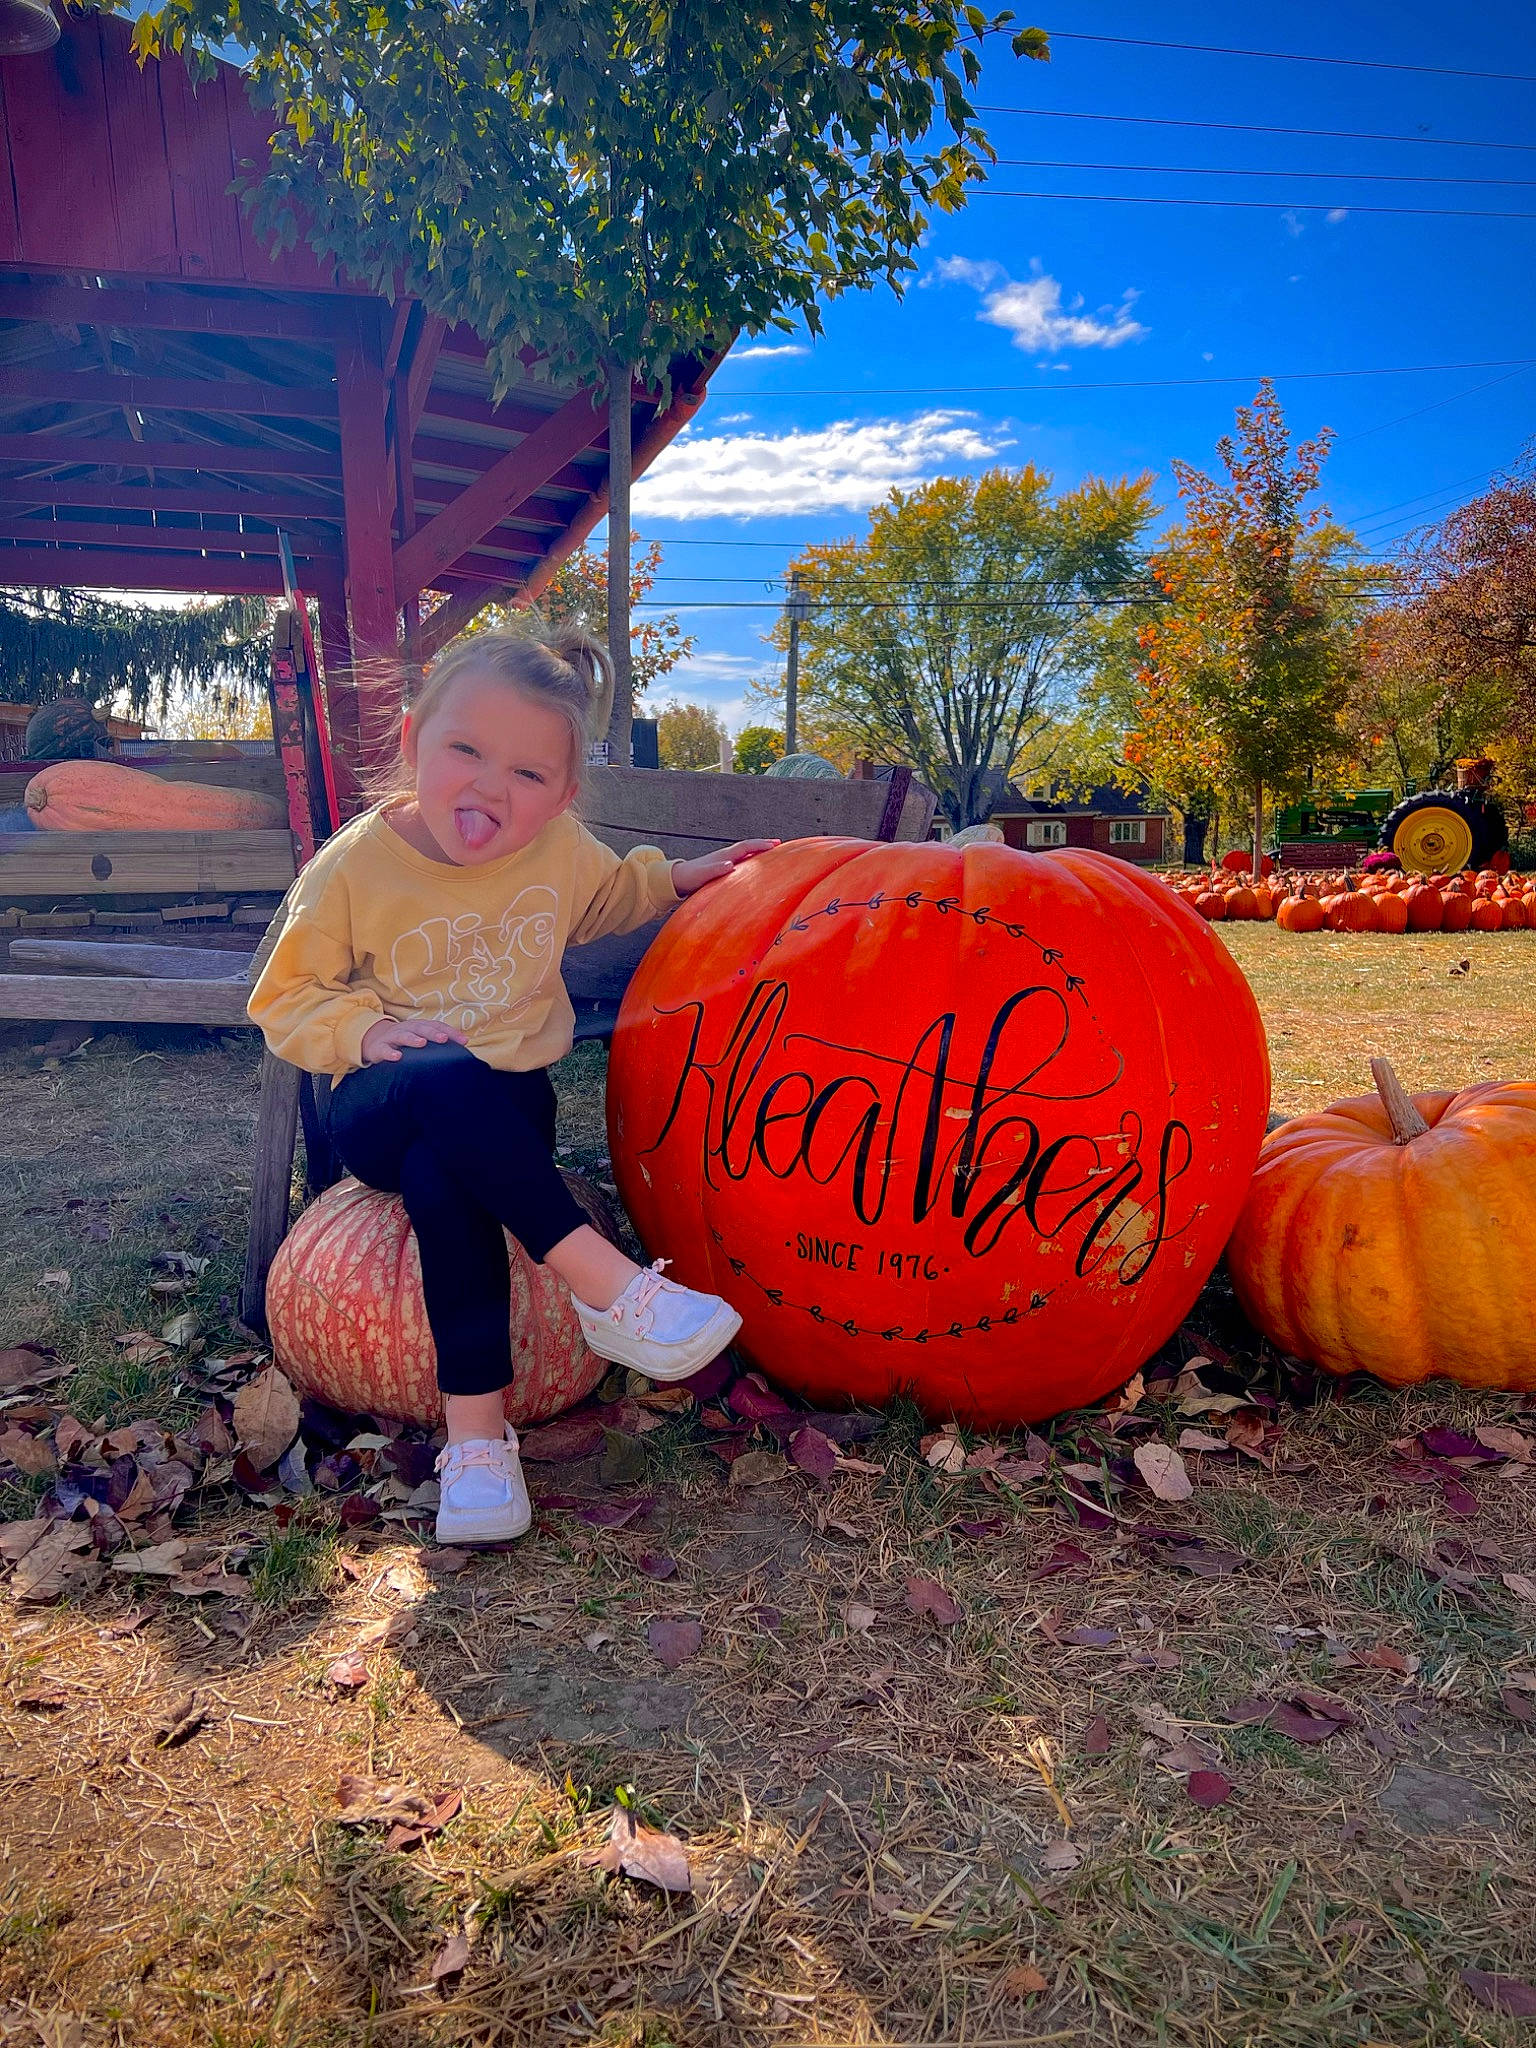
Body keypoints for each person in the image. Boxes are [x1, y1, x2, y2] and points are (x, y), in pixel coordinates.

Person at [248, 628, 772, 1545]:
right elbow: (285, 995)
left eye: (529, 776)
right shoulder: (357, 864)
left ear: (563, 798)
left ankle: (479, 1449)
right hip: (380, 1100)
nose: (492, 786)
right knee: (440, 1076)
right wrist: (366, 1030)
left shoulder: (560, 850)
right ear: (413, 741)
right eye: (466, 751)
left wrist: (686, 877)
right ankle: (608, 1287)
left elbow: (610, 896)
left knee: (452, 1185)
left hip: (502, 1112)